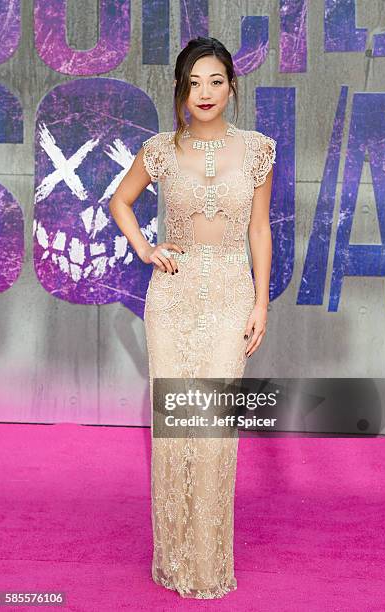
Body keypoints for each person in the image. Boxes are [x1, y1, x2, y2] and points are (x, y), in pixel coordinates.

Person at [109, 36, 276, 599]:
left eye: (217, 81)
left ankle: (208, 566)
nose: (205, 93)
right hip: (172, 298)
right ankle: (173, 561)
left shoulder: (257, 150)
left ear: (231, 87)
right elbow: (120, 201)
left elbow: (259, 229)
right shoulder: (160, 149)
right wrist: (144, 247)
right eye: (195, 82)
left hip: (231, 292)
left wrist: (260, 303)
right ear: (181, 88)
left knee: (213, 431)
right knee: (175, 428)